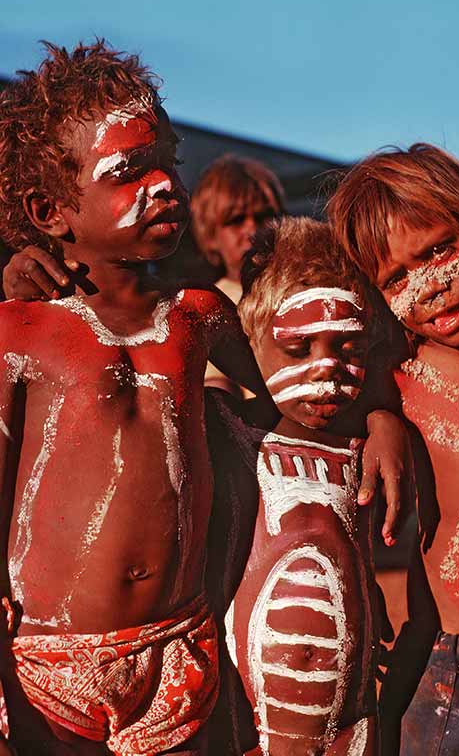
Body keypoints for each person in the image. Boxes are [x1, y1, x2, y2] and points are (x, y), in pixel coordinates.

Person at [0, 40, 271, 755]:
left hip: (182, 649)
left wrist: (374, 416)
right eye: (129, 172)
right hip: (46, 669)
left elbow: (293, 401)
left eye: (168, 163)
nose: (165, 188)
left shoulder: (201, 316)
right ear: (51, 210)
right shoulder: (17, 332)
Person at [329, 143, 459, 755]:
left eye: (439, 250)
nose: (430, 287)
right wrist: (380, 415)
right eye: (396, 278)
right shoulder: (393, 376)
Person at [220, 216, 382, 755]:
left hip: (351, 725)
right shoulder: (230, 433)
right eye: (297, 349)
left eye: (348, 348)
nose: (326, 370)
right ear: (252, 343)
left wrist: (389, 422)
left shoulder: (367, 445)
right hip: (251, 726)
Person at [190, 155, 285, 395]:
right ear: (210, 235)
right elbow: (216, 386)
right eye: (236, 220)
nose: (252, 230)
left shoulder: (301, 288)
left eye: (263, 216)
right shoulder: (207, 304)